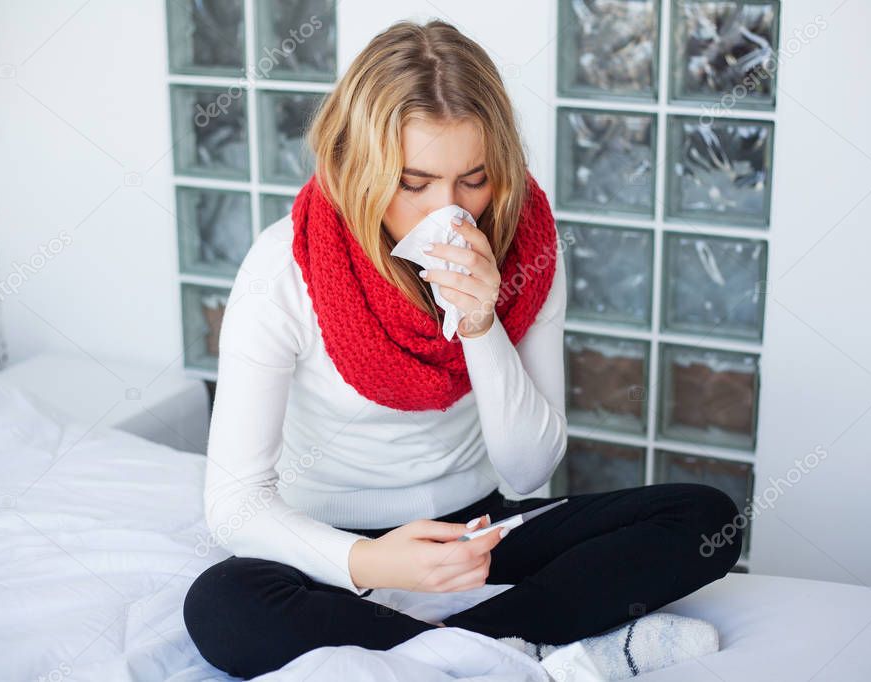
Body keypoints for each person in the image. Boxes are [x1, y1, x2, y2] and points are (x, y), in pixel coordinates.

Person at [182, 18, 742, 681]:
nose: (449, 214)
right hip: (340, 549)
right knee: (222, 608)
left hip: (479, 534)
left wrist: (481, 323)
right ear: (354, 167)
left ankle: (458, 645)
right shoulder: (284, 269)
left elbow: (528, 469)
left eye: (472, 180)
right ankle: (519, 643)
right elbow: (235, 505)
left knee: (708, 519)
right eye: (413, 182)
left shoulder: (525, 247)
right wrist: (374, 565)